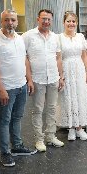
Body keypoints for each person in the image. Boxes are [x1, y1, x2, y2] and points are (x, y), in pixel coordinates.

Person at [0, 9, 36, 168]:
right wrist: (0, 89)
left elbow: (25, 60)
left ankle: (17, 146)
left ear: (17, 22)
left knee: (17, 117)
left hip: (21, 85)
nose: (10, 23)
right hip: (6, 88)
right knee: (4, 120)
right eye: (7, 20)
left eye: (13, 20)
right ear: (1, 21)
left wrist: (29, 79)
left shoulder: (20, 39)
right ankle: (5, 152)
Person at [23, 9, 64, 151]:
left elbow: (58, 58)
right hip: (37, 79)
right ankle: (39, 139)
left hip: (53, 77)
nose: (46, 21)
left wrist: (61, 76)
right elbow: (25, 59)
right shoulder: (28, 36)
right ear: (38, 19)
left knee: (52, 108)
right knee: (38, 109)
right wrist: (29, 79)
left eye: (48, 19)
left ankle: (50, 136)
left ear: (51, 21)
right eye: (43, 19)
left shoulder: (55, 37)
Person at [57, 12, 87, 140]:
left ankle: (80, 128)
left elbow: (84, 56)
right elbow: (58, 58)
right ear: (64, 22)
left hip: (79, 69)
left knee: (79, 97)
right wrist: (60, 75)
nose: (71, 23)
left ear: (76, 23)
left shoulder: (80, 37)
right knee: (68, 97)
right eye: (68, 21)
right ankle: (71, 128)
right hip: (66, 69)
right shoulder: (59, 38)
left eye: (73, 21)